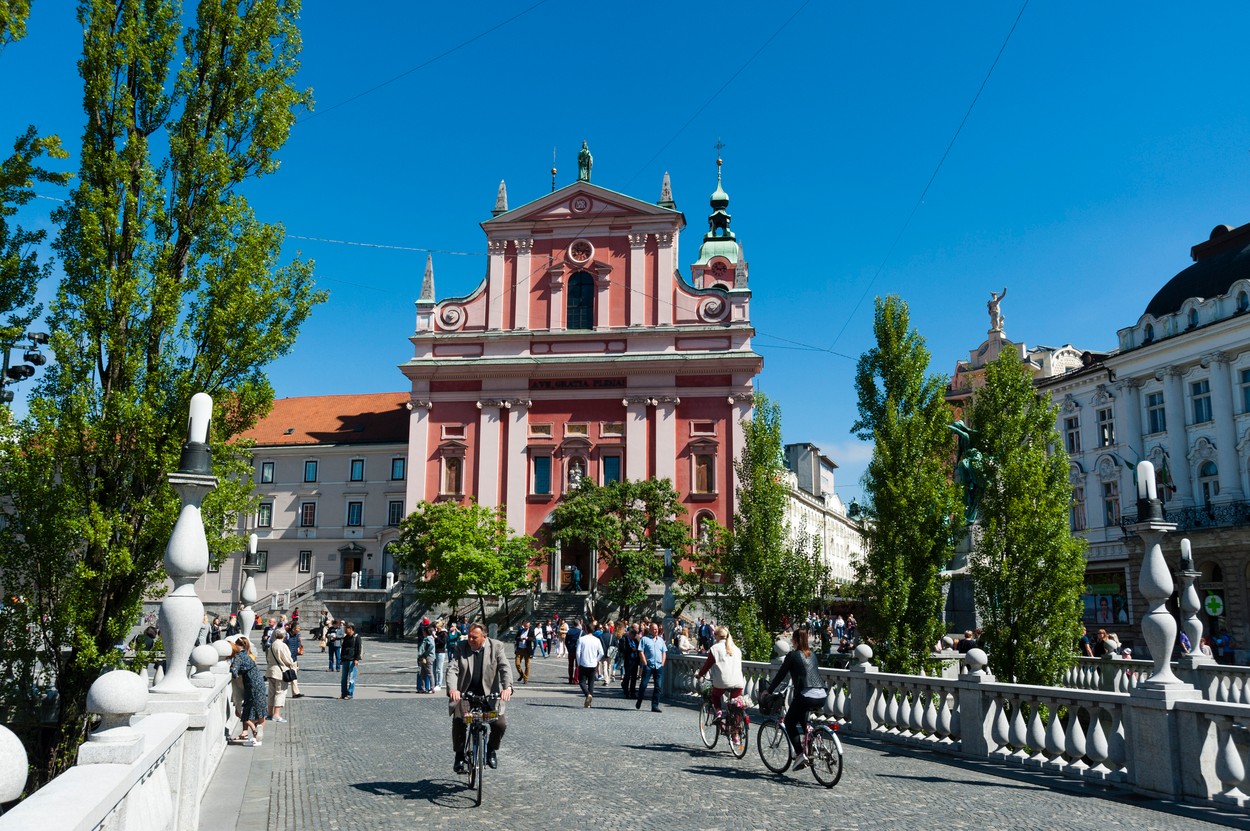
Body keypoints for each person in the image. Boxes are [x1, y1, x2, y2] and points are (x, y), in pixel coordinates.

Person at [446, 622, 514, 773]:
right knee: (460, 720)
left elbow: (505, 668)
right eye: (469, 636)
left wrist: (507, 687)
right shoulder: (461, 647)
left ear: (484, 637)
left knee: (499, 724)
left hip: (489, 697)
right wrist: (453, 689)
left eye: (474, 637)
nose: (470, 639)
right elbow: (452, 669)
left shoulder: (496, 647)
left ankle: (491, 749)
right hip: (466, 695)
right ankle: (459, 755)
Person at [764, 628, 829, 770]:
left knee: (789, 722)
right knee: (802, 718)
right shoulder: (812, 655)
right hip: (822, 694)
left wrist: (768, 691)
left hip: (806, 695)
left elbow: (781, 675)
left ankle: (799, 754)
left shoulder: (793, 655)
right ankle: (814, 742)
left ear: (794, 640)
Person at [695, 625, 745, 717]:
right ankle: (737, 728)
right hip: (738, 682)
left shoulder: (715, 648)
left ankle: (718, 712)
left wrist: (700, 674)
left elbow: (707, 665)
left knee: (715, 695)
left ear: (717, 636)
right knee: (735, 705)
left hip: (722, 682)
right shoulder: (737, 649)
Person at [229, 637, 267, 746]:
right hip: (259, 682)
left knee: (245, 710)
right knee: (260, 710)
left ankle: (255, 731)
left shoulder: (239, 656)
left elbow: (234, 672)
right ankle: (257, 736)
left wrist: (231, 668)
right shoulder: (246, 654)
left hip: (251, 685)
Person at [266, 629, 298, 722]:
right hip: (280, 672)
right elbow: (288, 659)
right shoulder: (282, 645)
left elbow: (268, 658)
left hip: (271, 671)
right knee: (280, 692)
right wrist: (293, 666)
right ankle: (276, 714)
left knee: (271, 693)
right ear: (284, 636)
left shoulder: (271, 645)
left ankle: (270, 713)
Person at [635, 622, 666, 712]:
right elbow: (640, 651)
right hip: (649, 665)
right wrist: (645, 663)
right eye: (654, 629)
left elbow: (664, 652)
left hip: (658, 665)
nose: (656, 631)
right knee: (643, 685)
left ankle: (655, 705)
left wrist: (663, 663)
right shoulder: (644, 639)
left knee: (658, 686)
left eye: (657, 629)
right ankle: (640, 699)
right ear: (650, 630)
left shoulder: (660, 640)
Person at [576, 619, 604, 707]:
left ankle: (587, 694)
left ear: (586, 630)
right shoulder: (597, 640)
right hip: (593, 664)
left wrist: (579, 662)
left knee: (582, 682)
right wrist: (597, 660)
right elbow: (602, 652)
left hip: (584, 663)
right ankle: (589, 702)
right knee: (591, 683)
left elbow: (578, 652)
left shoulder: (581, 639)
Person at [340, 621, 362, 699]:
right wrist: (341, 658)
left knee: (351, 679)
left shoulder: (356, 637)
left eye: (347, 628)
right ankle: (343, 694)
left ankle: (350, 694)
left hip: (352, 660)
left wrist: (356, 659)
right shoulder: (346, 637)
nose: (346, 629)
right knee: (343, 679)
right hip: (345, 659)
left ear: (351, 629)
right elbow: (343, 648)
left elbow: (358, 648)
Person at [286, 624, 305, 698]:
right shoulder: (287, 636)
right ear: (293, 629)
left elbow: (297, 647)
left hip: (294, 659)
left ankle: (296, 693)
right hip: (286, 659)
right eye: (298, 628)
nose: (299, 629)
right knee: (284, 677)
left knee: (294, 676)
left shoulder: (297, 636)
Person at [416, 624, 436, 692]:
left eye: (424, 631)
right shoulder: (427, 638)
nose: (423, 633)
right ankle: (423, 688)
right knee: (423, 673)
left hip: (428, 657)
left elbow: (431, 646)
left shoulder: (429, 638)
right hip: (424, 657)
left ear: (426, 632)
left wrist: (425, 654)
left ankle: (432, 688)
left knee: (429, 673)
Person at [564, 618, 582, 684]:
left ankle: (570, 678)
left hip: (571, 650)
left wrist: (568, 648)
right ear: (579, 624)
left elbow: (566, 641)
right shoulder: (581, 632)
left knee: (570, 665)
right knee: (577, 666)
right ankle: (575, 679)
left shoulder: (569, 631)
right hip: (578, 650)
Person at [433, 620, 449, 690]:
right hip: (435, 651)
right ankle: (435, 683)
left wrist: (436, 637)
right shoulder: (437, 632)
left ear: (441, 627)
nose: (437, 628)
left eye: (438, 627)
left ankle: (439, 684)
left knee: (439, 669)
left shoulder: (444, 633)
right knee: (434, 669)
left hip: (440, 652)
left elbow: (443, 642)